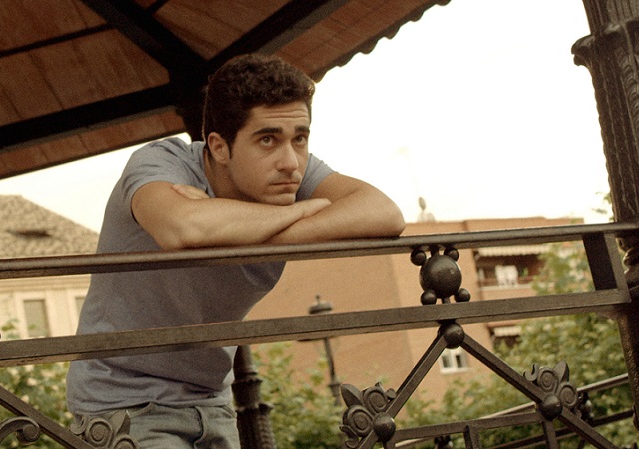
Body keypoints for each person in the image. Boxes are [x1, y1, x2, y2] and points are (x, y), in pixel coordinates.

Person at [66, 53, 405, 448]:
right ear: (219, 147)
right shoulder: (162, 162)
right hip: (122, 401)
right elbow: (184, 228)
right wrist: (302, 212)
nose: (290, 161)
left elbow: (385, 213)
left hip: (211, 398)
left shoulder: (289, 175)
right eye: (267, 140)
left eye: (300, 138)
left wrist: (244, 228)